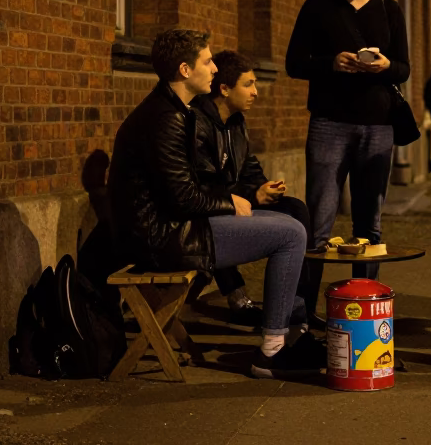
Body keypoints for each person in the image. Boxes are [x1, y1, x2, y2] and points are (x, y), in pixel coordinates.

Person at [107, 29, 318, 378]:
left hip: (174, 227)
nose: (215, 69)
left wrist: (235, 198)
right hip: (161, 237)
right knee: (291, 234)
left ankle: (292, 332)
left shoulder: (177, 110)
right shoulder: (166, 118)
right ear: (185, 70)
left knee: (292, 217)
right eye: (207, 62)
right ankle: (272, 352)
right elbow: (182, 197)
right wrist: (230, 202)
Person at [285, 0, 411, 283]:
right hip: (329, 122)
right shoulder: (317, 7)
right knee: (319, 221)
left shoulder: (389, 8)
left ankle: (364, 303)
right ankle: (305, 309)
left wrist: (385, 65)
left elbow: (404, 68)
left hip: (378, 124)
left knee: (369, 223)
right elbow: (294, 63)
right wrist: (331, 64)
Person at [190, 50, 319, 327]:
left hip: (238, 199)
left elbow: (249, 167)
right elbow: (204, 187)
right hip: (210, 209)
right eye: (248, 84)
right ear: (224, 89)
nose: (255, 92)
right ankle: (241, 298)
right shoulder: (197, 123)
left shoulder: (236, 122)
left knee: (296, 209)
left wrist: (265, 187)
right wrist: (252, 195)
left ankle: (300, 308)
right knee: (288, 229)